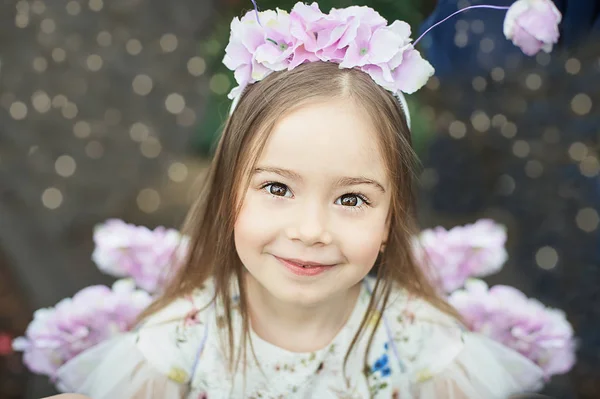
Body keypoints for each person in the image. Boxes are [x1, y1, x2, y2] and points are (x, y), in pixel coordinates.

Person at [50, 2, 549, 398]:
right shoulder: (177, 340)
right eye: (277, 188)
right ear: (228, 195)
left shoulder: (424, 343)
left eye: (352, 199)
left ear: (391, 218)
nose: (311, 230)